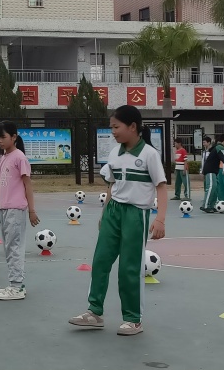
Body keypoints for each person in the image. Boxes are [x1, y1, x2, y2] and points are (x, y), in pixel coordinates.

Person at [69, 105, 167, 336]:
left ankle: (133, 319)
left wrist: (160, 219)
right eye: (111, 127)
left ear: (132, 127)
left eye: (116, 127)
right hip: (113, 212)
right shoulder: (115, 153)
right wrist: (104, 213)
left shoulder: (149, 155)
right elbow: (112, 186)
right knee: (100, 261)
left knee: (128, 268)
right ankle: (94, 312)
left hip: (136, 214)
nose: (112, 131)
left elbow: (161, 187)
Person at [0, 121, 40, 299]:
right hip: (5, 209)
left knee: (14, 248)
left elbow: (28, 185)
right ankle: (15, 284)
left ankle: (16, 287)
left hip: (16, 209)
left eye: (3, 137)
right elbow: (0, 188)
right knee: (9, 248)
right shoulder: (3, 157)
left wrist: (31, 210)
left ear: (14, 137)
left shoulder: (20, 158)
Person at [200, 134, 224, 213]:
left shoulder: (217, 147)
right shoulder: (219, 147)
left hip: (214, 170)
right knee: (211, 187)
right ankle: (205, 206)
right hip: (210, 170)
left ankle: (211, 206)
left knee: (215, 188)